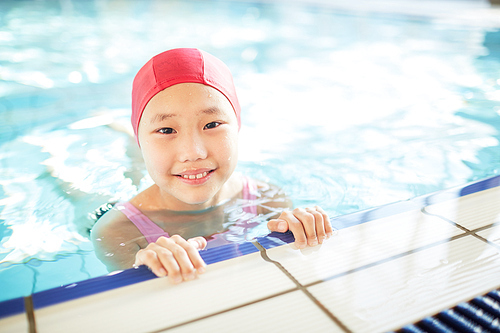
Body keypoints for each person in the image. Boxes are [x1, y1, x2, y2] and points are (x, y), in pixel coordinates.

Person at [91, 48, 334, 284]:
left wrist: (303, 229)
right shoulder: (116, 232)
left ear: (237, 127)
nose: (193, 153)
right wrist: (142, 271)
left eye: (212, 124)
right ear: (142, 140)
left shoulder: (267, 199)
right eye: (166, 130)